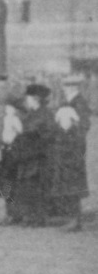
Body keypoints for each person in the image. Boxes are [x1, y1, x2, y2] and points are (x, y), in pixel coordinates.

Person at [11, 83, 57, 227]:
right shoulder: (32, 113)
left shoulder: (46, 114)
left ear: (36, 99)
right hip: (28, 155)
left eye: (29, 98)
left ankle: (39, 217)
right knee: (28, 185)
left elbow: (49, 135)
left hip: (40, 157)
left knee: (38, 187)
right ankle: (30, 215)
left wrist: (32, 138)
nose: (27, 101)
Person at [49, 74, 90, 231]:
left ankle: (75, 219)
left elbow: (84, 126)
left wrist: (70, 132)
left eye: (66, 87)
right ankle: (71, 216)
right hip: (66, 148)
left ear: (72, 87)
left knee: (74, 180)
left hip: (74, 149)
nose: (63, 89)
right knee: (67, 180)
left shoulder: (79, 102)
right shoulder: (69, 102)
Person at [0, 96, 25, 225]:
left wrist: (13, 142)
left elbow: (21, 134)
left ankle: (14, 213)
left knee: (11, 183)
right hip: (5, 152)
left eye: (11, 108)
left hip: (13, 153)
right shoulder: (4, 119)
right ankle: (9, 212)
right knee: (5, 184)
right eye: (7, 108)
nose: (8, 110)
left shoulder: (16, 120)